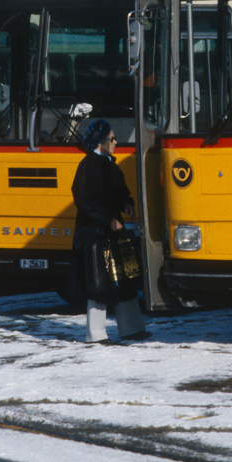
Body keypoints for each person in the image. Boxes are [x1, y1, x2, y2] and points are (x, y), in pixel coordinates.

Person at [68, 119, 149, 344]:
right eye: (111, 138)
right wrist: (109, 220)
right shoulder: (87, 165)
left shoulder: (110, 164)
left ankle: (132, 329)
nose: (116, 142)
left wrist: (127, 203)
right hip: (94, 235)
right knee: (98, 285)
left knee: (125, 280)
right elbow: (84, 202)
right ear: (99, 141)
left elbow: (122, 192)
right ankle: (95, 336)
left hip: (112, 232)